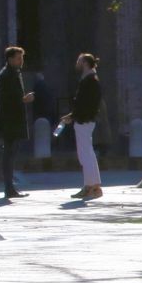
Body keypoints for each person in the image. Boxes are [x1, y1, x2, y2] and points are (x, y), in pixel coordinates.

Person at [61, 51, 103, 201]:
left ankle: (90, 187)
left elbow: (85, 104)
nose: (77, 63)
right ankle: (94, 186)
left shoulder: (90, 80)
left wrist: (74, 116)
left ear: (85, 63)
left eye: (79, 61)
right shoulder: (89, 79)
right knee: (87, 153)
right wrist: (72, 115)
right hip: (84, 118)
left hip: (84, 120)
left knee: (85, 155)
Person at [0, 44, 34, 198]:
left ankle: (10, 187)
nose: (21, 61)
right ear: (10, 59)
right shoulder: (5, 76)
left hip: (14, 120)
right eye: (18, 58)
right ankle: (8, 187)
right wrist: (23, 99)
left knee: (11, 154)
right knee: (8, 154)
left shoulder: (15, 73)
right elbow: (5, 99)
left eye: (21, 58)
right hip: (8, 121)